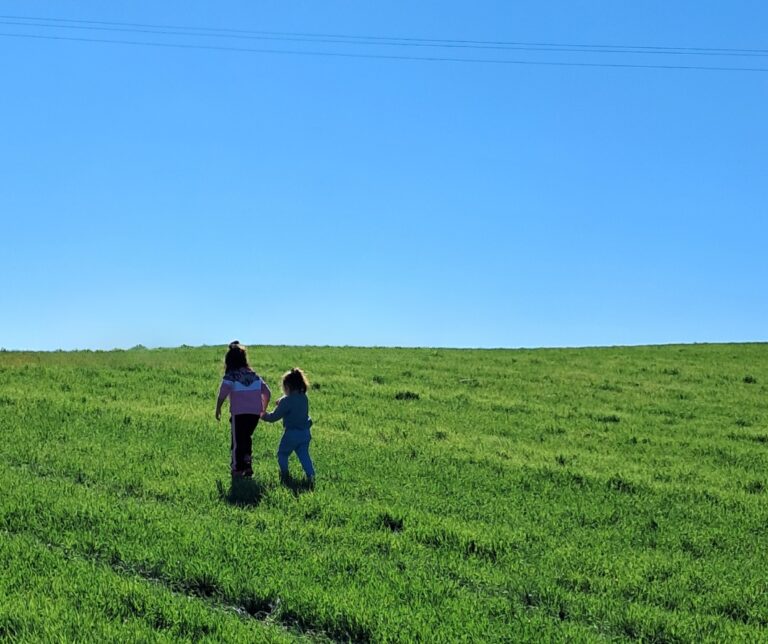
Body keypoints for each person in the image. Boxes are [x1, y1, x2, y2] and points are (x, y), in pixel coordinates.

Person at [215, 341, 271, 478]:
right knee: (246, 437)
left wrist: (218, 408)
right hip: (254, 414)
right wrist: (262, 409)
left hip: (239, 413)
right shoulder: (254, 376)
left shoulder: (231, 376)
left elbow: (223, 393)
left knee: (237, 441)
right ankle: (247, 464)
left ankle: (237, 469)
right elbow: (267, 392)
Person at [260, 367, 315, 486]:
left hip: (292, 434)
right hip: (305, 433)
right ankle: (311, 476)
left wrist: (263, 415)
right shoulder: (303, 397)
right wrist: (282, 400)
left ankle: (285, 475)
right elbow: (293, 403)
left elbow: (274, 417)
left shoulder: (286, 401)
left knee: (282, 454)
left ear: (288, 387)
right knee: (304, 455)